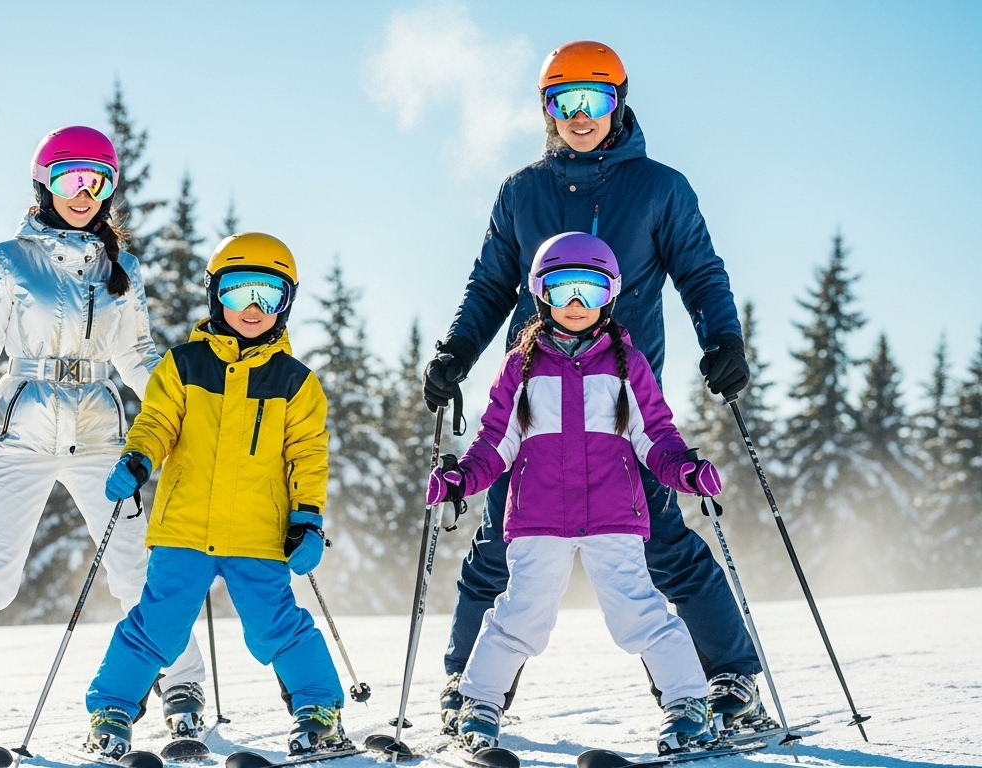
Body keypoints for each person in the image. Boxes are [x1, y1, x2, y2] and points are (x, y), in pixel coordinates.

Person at [422, 40, 764, 734]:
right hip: (536, 394)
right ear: (547, 111)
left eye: (595, 100)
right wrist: (457, 349)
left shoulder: (661, 188)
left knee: (663, 537)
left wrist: (722, 339)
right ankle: (467, 684)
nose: (581, 115)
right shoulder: (522, 191)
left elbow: (701, 272)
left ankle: (729, 678)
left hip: (623, 396)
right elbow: (491, 285)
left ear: (619, 102)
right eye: (565, 102)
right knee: (498, 539)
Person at [0, 126, 206, 746]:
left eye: (98, 181)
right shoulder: (10, 258)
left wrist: (181, 410)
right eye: (70, 179)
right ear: (44, 184)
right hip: (22, 430)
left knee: (135, 564)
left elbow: (138, 354)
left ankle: (182, 682)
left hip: (99, 429)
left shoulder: (123, 268)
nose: (83, 192)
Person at [427, 232, 725, 754]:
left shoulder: (627, 364)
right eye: (563, 288)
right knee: (520, 616)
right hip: (538, 516)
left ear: (609, 295)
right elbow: (495, 441)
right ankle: (478, 704)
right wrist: (461, 480)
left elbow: (655, 435)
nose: (576, 304)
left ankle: (688, 704)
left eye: (590, 290)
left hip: (614, 513)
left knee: (639, 614)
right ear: (541, 293)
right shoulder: (520, 366)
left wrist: (686, 471)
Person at [82, 233, 348, 759]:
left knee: (275, 628)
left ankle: (318, 710)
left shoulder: (296, 382)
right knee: (157, 625)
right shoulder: (182, 366)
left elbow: (308, 456)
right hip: (185, 527)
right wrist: (138, 459)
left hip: (257, 534)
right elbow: (157, 423)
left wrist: (308, 519)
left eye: (266, 296)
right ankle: (111, 709)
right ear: (214, 296)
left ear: (285, 304)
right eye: (237, 291)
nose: (251, 308)